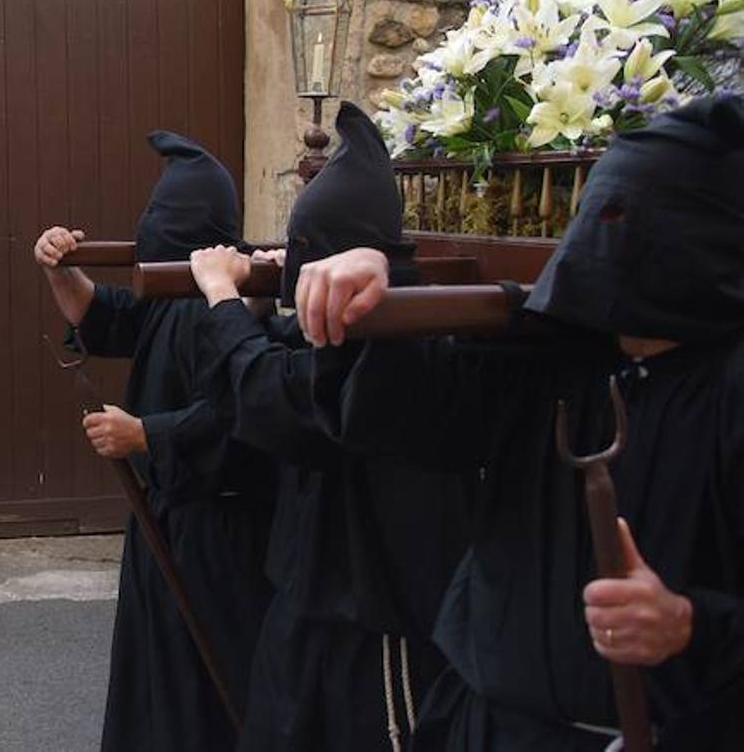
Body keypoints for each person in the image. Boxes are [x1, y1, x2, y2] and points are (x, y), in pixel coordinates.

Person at [200, 95, 744, 748]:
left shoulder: (726, 394)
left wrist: (690, 624)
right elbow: (402, 412)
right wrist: (379, 285)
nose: (599, 246)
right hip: (485, 721)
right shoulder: (546, 356)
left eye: (623, 220)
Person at [186, 103, 473, 752]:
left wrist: (223, 298)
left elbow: (279, 399)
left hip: (375, 627)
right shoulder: (346, 330)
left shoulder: (402, 342)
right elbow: (280, 365)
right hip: (307, 602)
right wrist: (259, 299)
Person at [34, 131, 275, 751]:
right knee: (156, 690)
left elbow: (241, 414)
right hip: (164, 521)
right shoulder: (173, 293)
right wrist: (60, 267)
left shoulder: (229, 305)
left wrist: (145, 433)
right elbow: (104, 315)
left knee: (206, 692)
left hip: (219, 536)